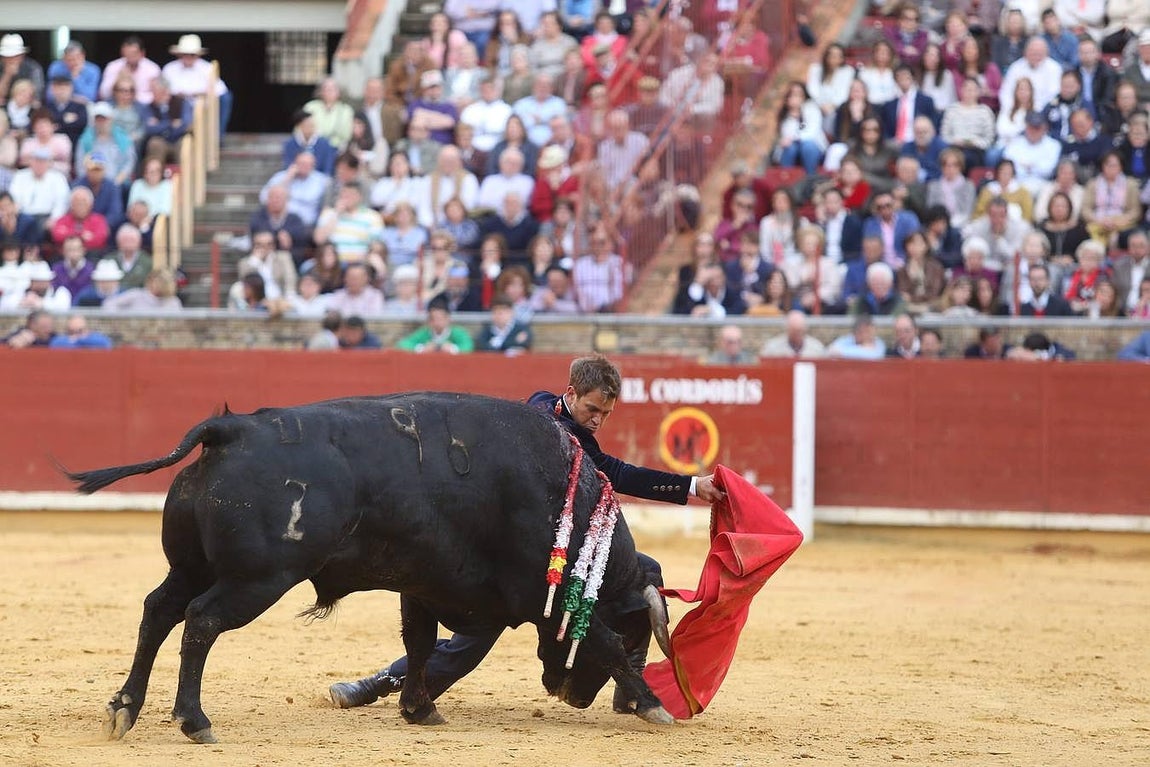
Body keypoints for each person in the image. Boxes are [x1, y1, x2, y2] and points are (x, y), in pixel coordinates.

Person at [329, 354, 725, 711]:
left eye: (606, 413)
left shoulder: (541, 407)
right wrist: (690, 485)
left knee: (643, 573)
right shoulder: (555, 430)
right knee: (470, 641)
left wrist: (690, 486)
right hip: (506, 558)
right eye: (592, 409)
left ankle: (631, 678)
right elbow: (617, 473)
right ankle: (378, 684)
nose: (597, 420)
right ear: (571, 393)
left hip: (554, 554)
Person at [396, 295, 474, 353]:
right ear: (429, 320)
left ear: (448, 319)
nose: (437, 323)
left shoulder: (457, 332)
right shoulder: (424, 332)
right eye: (433, 319)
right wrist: (422, 348)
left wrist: (452, 349)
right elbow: (402, 344)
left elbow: (469, 346)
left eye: (440, 319)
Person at [98, 36, 161, 104]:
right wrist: (117, 80)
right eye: (127, 54)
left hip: (144, 106)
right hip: (116, 103)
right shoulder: (113, 66)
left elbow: (158, 96)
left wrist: (134, 97)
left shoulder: (152, 69)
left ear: (142, 53)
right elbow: (104, 93)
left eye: (133, 54)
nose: (130, 57)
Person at [101, 268, 183, 312]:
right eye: (158, 282)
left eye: (165, 283)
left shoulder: (174, 302)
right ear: (150, 282)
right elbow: (109, 304)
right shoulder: (135, 295)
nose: (160, 286)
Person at [760, 309, 826, 358]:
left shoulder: (817, 347)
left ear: (805, 330)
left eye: (799, 331)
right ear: (787, 330)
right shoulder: (772, 347)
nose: (797, 335)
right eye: (793, 332)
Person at [48, 313, 113, 349]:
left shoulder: (96, 338)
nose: (76, 335)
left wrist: (79, 340)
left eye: (80, 331)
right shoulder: (62, 340)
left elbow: (106, 344)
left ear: (87, 329)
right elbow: (54, 344)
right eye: (72, 332)